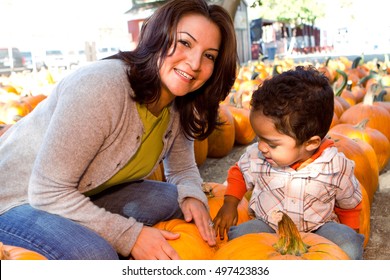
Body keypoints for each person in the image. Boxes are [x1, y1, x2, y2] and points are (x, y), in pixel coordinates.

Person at [0, 0, 237, 260]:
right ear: (158, 37)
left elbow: (181, 168)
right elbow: (47, 192)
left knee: (175, 200)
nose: (194, 63)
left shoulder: (179, 103)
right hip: (17, 197)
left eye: (209, 55)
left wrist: (192, 195)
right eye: (185, 43)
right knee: (96, 255)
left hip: (77, 191)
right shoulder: (100, 87)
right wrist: (128, 235)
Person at [212, 66, 365, 259]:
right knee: (238, 237)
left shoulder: (335, 166)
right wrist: (230, 204)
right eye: (259, 138)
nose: (261, 147)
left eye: (272, 143)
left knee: (350, 244)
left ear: (310, 143)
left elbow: (349, 204)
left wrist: (349, 231)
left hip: (318, 230)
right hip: (269, 226)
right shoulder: (257, 157)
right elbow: (240, 173)